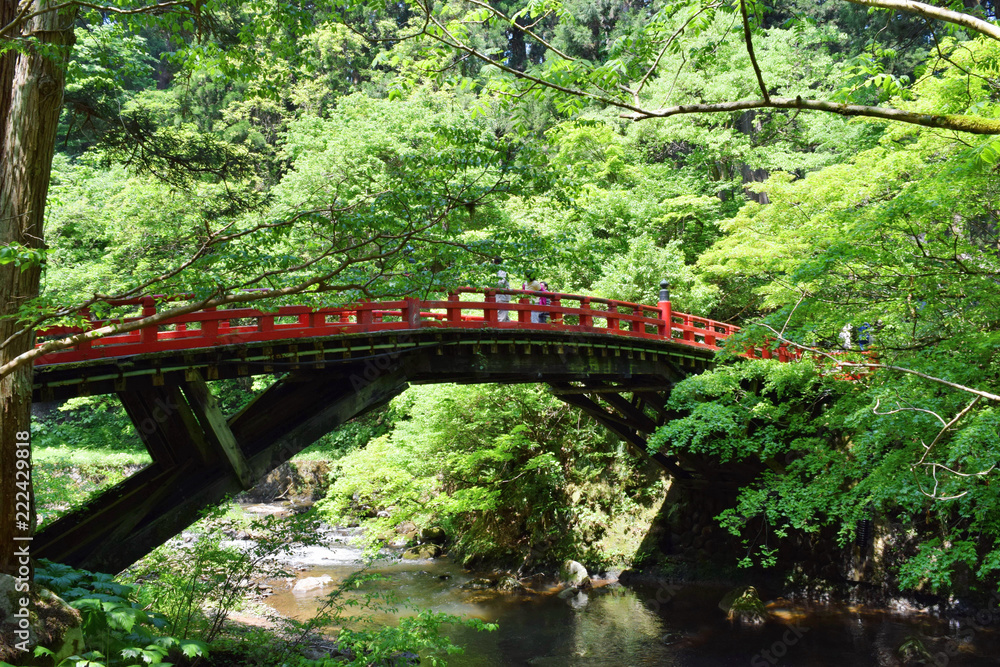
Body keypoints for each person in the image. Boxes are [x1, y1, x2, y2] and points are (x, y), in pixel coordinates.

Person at [494, 258, 510, 322]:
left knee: (502, 317)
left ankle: (500, 328)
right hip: (500, 296)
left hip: (502, 296)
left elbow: (500, 284)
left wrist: (491, 285)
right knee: (505, 317)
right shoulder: (498, 272)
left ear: (496, 263)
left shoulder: (502, 272)